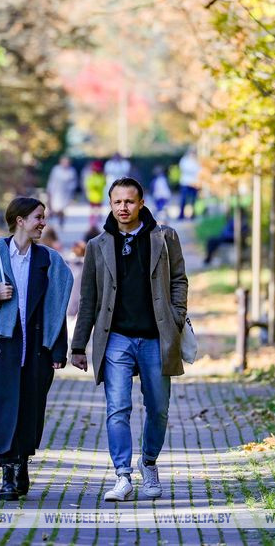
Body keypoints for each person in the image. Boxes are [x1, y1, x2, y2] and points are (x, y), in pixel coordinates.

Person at [71, 177, 188, 502]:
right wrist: (78, 345)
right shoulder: (98, 245)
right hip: (116, 340)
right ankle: (122, 476)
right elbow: (89, 298)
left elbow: (179, 278)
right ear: (110, 204)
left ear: (141, 203)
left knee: (158, 409)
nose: (123, 207)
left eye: (129, 201)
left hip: (156, 337)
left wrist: (177, 317)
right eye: (117, 202)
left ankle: (148, 463)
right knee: (117, 409)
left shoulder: (164, 238)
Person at [0, 197, 73, 500]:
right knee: (2, 410)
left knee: (29, 409)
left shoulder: (49, 260)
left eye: (44, 217)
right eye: (38, 217)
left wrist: (58, 350)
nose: (43, 223)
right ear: (20, 220)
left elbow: (56, 308)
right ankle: (7, 472)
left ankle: (22, 462)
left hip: (36, 349)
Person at [46, 157, 77, 227]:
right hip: (55, 192)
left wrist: (72, 195)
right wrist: (49, 191)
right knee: (53, 209)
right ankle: (48, 221)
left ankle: (61, 222)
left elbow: (73, 183)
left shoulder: (71, 171)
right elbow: (52, 180)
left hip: (65, 194)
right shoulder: (56, 169)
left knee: (62, 209)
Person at [178, 148, 201, 220]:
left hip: (194, 183)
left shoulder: (197, 161)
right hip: (185, 182)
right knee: (183, 199)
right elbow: (185, 169)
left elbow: (199, 171)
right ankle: (181, 215)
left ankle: (192, 215)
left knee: (193, 200)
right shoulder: (184, 160)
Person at [83, 160, 106, 228]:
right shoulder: (91, 175)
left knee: (98, 210)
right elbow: (88, 184)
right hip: (93, 196)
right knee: (93, 210)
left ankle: (97, 221)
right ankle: (92, 223)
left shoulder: (102, 176)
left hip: (99, 196)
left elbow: (103, 183)